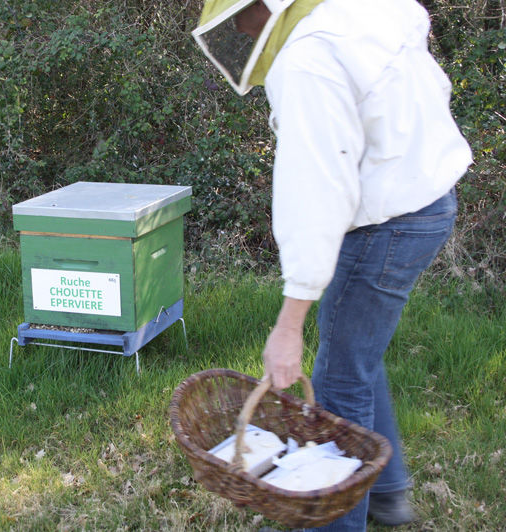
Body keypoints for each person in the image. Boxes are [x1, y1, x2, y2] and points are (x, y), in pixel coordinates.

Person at [191, 0, 472, 530]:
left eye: (242, 15)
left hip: (389, 221)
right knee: (356, 352)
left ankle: (342, 519)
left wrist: (288, 324)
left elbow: (317, 195)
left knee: (340, 383)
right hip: (428, 198)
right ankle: (387, 492)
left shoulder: (306, 61)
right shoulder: (355, 10)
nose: (243, 30)